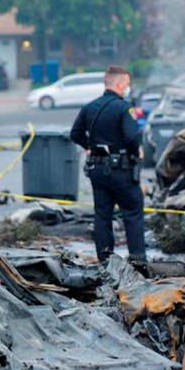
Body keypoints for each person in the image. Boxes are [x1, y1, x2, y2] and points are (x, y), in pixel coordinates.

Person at [70, 65, 146, 263]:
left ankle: (105, 260)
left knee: (102, 215)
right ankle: (138, 260)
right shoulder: (124, 108)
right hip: (121, 170)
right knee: (132, 213)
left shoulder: (90, 107)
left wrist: (90, 147)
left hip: (97, 169)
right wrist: (137, 150)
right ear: (119, 84)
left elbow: (75, 134)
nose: (128, 88)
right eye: (127, 84)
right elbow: (131, 136)